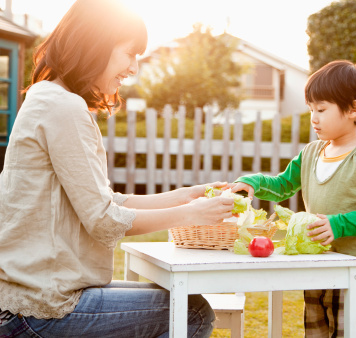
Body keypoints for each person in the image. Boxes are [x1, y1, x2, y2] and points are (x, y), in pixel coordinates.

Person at [0, 0, 235, 337]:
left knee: (186, 302)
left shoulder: (48, 98)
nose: (133, 67)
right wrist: (190, 214)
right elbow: (103, 219)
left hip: (29, 297)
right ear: (96, 46)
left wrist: (184, 198)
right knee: (191, 312)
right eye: (130, 53)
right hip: (39, 308)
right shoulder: (64, 107)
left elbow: (104, 202)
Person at [230, 60, 356, 337]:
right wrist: (253, 182)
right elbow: (283, 184)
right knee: (316, 333)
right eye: (311, 109)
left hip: (355, 269)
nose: (313, 117)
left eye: (321, 109)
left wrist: (339, 225)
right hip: (317, 263)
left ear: (353, 109)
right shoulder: (311, 152)